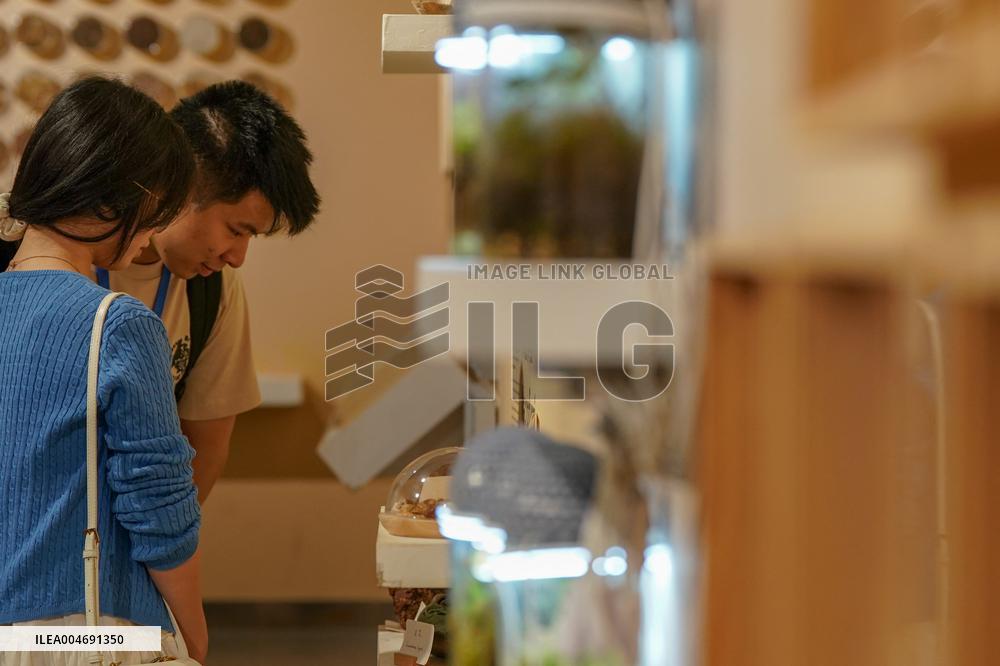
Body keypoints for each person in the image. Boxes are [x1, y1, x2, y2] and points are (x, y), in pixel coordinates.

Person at [0, 77, 206, 664]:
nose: (150, 238)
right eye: (154, 214)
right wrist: (194, 633)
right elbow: (159, 509)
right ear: (113, 203)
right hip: (83, 636)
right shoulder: (118, 324)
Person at [99, 81, 321, 503]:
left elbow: (206, 446)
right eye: (236, 230)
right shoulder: (43, 259)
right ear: (180, 186)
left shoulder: (213, 290)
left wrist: (163, 536)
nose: (237, 257)